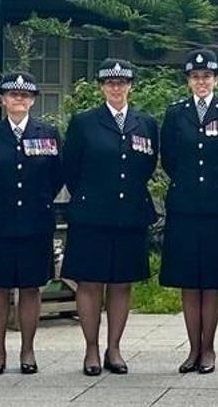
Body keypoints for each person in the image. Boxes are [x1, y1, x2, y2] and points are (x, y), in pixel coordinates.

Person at [62, 58, 160, 376]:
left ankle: (114, 348)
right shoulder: (84, 122)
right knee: (89, 283)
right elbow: (71, 170)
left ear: (131, 86)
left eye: (122, 83)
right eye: (110, 83)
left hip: (130, 213)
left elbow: (146, 166)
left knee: (121, 283)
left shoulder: (145, 123)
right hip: (92, 214)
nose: (116, 88)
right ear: (102, 86)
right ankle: (91, 348)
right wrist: (92, 195)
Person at [0, 71, 63, 376]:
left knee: (31, 287)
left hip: (35, 221)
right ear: (3, 99)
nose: (18, 99)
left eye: (24, 95)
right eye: (12, 94)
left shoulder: (48, 133)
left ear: (33, 99)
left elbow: (55, 176)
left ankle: (28, 349)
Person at [160, 48, 218, 374]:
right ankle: (192, 348)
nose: (201, 81)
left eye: (207, 76)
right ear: (188, 81)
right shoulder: (176, 113)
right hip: (184, 206)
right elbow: (168, 159)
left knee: (212, 280)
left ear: (216, 79)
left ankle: (209, 349)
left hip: (216, 206)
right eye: (195, 77)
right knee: (187, 280)